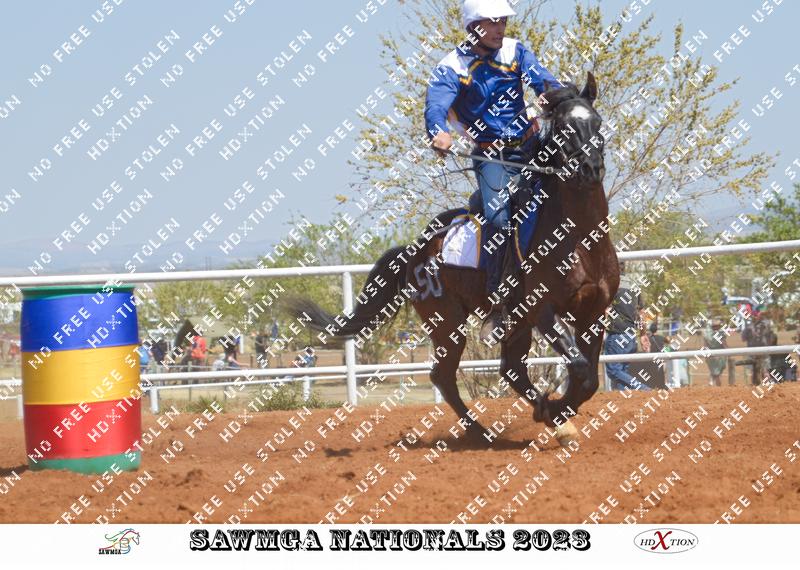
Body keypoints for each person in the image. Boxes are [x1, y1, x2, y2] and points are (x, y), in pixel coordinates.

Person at [425, 0, 561, 342]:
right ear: (474, 27)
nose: (501, 27)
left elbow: (543, 80)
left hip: (532, 146)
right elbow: (436, 106)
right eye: (494, 22)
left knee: (572, 192)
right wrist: (438, 132)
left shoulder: (515, 50)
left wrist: (555, 95)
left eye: (503, 21)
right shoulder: (451, 66)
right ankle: (498, 302)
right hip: (492, 158)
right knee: (499, 220)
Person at [604, 261, 650, 391]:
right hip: (630, 337)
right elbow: (642, 313)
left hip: (616, 336)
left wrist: (599, 332)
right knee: (621, 373)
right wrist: (643, 334)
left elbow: (605, 310)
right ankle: (622, 399)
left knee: (613, 371)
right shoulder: (634, 285)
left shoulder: (610, 285)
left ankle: (645, 390)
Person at [704, 318, 728, 386]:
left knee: (714, 371)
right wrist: (729, 351)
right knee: (718, 373)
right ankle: (717, 386)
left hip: (711, 354)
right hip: (720, 354)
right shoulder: (721, 334)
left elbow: (705, 345)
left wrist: (706, 355)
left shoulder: (707, 334)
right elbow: (724, 344)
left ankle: (711, 382)